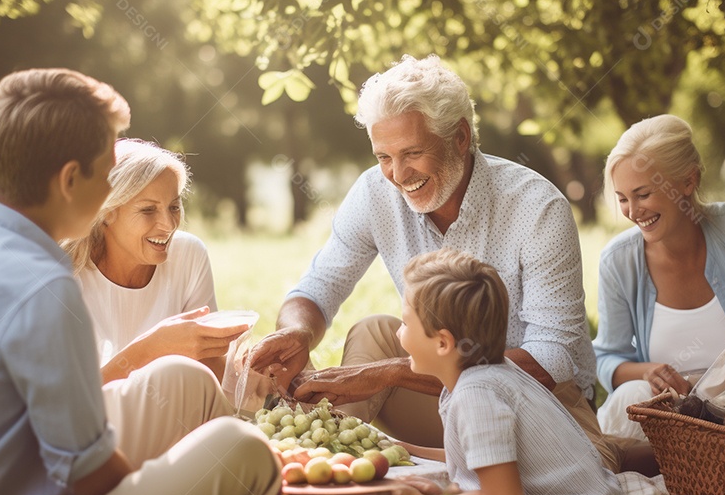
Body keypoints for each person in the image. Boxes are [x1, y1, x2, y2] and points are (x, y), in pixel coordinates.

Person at [0, 68, 279, 495]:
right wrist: (165, 486)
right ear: (69, 179)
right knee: (246, 451)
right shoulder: (43, 286)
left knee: (183, 379)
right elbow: (93, 477)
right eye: (105, 173)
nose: (109, 188)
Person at [248, 54, 620, 472]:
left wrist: (388, 374)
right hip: (439, 402)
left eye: (412, 152)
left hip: (540, 407)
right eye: (383, 156)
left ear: (460, 136)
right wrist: (298, 332)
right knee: (374, 331)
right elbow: (316, 288)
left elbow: (551, 361)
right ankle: (331, 460)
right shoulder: (374, 193)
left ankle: (469, 464)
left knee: (585, 470)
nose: (398, 174)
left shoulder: (536, 207)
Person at [389, 249, 623, 495]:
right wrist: (404, 449)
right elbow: (482, 459)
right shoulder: (494, 372)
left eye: (405, 323)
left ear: (443, 343)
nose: (398, 332)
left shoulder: (476, 395)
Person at [593, 115, 725, 440]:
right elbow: (607, 357)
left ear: (688, 182)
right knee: (630, 396)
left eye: (643, 194)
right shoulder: (619, 261)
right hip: (673, 428)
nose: (633, 212)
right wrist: (648, 371)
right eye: (623, 198)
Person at [63, 138, 248, 383]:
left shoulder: (188, 255)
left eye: (174, 206)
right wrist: (151, 349)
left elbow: (208, 369)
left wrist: (253, 373)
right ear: (106, 213)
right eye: (148, 210)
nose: (169, 225)